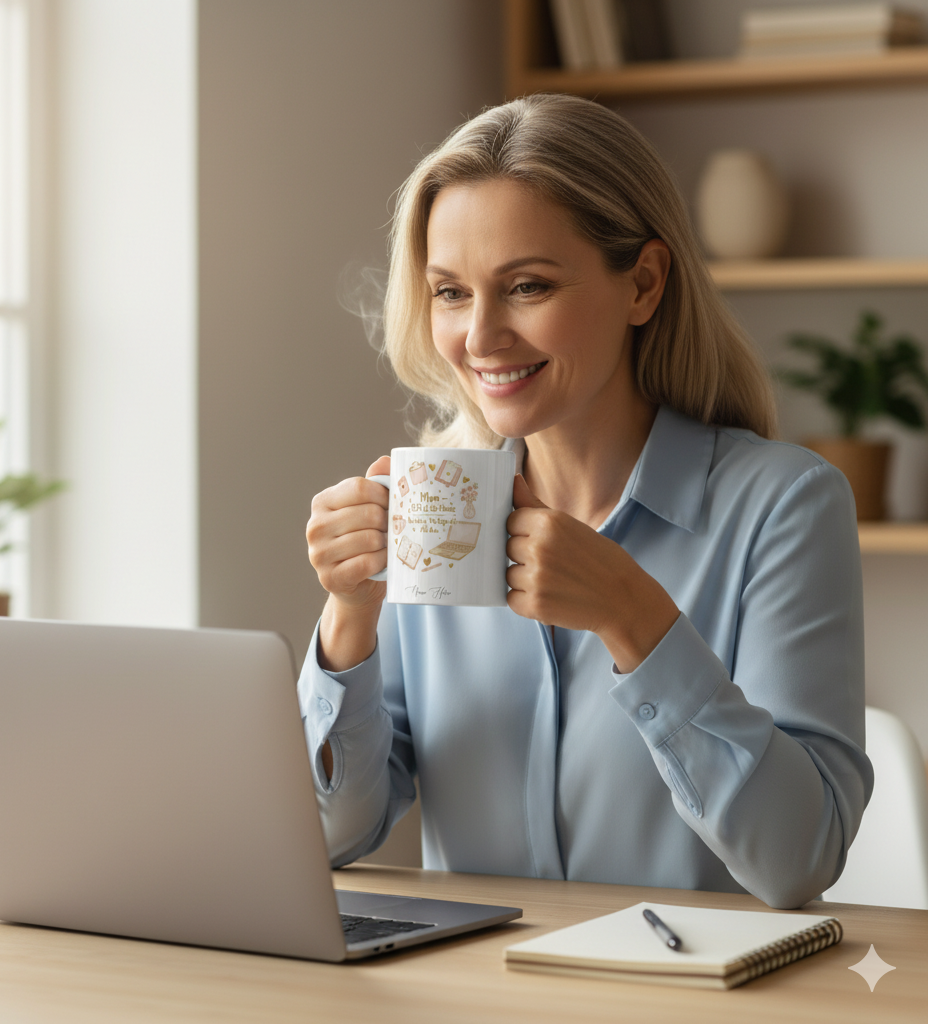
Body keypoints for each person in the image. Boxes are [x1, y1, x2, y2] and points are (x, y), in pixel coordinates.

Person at [301, 94, 872, 909]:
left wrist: (634, 617)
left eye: (527, 286)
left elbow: (798, 859)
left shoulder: (784, 505)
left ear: (643, 284)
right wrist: (347, 620)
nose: (480, 336)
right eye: (451, 293)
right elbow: (333, 835)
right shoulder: (434, 503)